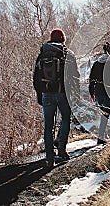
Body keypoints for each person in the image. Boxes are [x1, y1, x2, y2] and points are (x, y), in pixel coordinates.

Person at [33, 28, 79, 168]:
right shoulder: (67, 54)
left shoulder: (42, 54)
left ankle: (49, 158)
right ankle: (61, 151)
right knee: (65, 119)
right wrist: (74, 95)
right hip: (63, 93)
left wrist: (40, 95)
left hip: (46, 93)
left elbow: (35, 77)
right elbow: (74, 76)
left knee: (48, 126)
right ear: (63, 39)